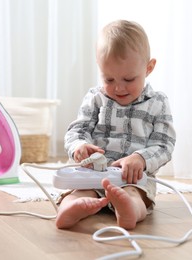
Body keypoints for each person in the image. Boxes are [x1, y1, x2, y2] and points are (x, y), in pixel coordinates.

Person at [56, 20, 176, 230]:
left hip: (133, 178)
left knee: (134, 195)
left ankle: (128, 209)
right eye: (109, 79)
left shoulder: (158, 102)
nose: (119, 87)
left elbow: (164, 145)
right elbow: (77, 130)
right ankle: (71, 209)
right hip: (92, 173)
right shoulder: (95, 97)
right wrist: (79, 147)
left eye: (129, 79)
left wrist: (140, 158)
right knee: (79, 193)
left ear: (149, 68)